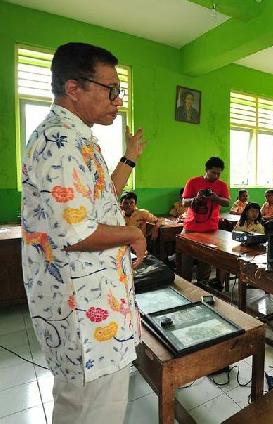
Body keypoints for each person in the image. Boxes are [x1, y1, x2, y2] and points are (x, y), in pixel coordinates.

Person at [21, 42, 146, 424]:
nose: (118, 100)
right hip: (88, 317)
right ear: (74, 88)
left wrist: (129, 158)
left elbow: (99, 200)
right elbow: (78, 233)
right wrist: (131, 234)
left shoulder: (75, 138)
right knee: (96, 412)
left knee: (78, 407)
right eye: (111, 89)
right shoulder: (61, 143)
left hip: (90, 306)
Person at [181, 156, 230, 285]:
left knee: (205, 262)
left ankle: (203, 287)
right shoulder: (193, 182)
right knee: (186, 261)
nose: (216, 176)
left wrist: (216, 198)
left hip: (210, 229)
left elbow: (226, 203)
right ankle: (185, 287)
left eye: (219, 173)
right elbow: (184, 202)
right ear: (206, 170)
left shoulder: (222, 185)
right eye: (213, 172)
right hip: (190, 228)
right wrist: (195, 199)